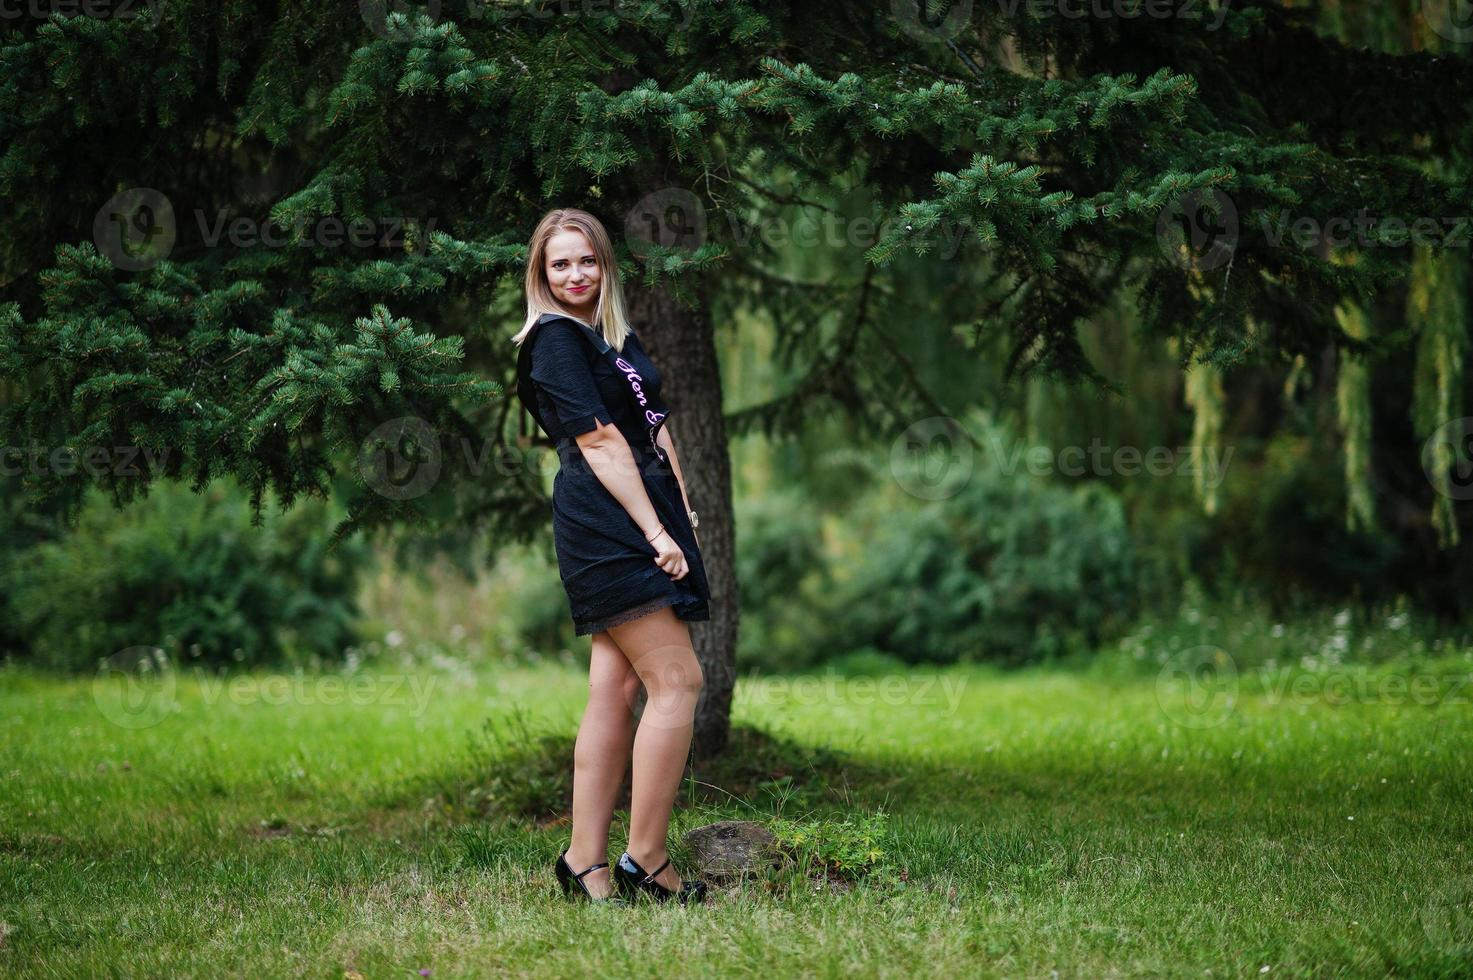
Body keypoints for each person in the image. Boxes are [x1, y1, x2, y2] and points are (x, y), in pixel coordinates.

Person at [511, 207, 711, 905]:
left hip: (644, 510)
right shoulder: (555, 342)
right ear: (540, 273)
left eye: (585, 260)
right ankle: (646, 860)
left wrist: (681, 513)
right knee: (677, 680)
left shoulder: (611, 338)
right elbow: (599, 443)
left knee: (617, 687)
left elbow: (655, 429)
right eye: (558, 263)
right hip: (607, 519)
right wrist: (655, 533)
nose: (574, 274)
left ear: (605, 265)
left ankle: (583, 861)